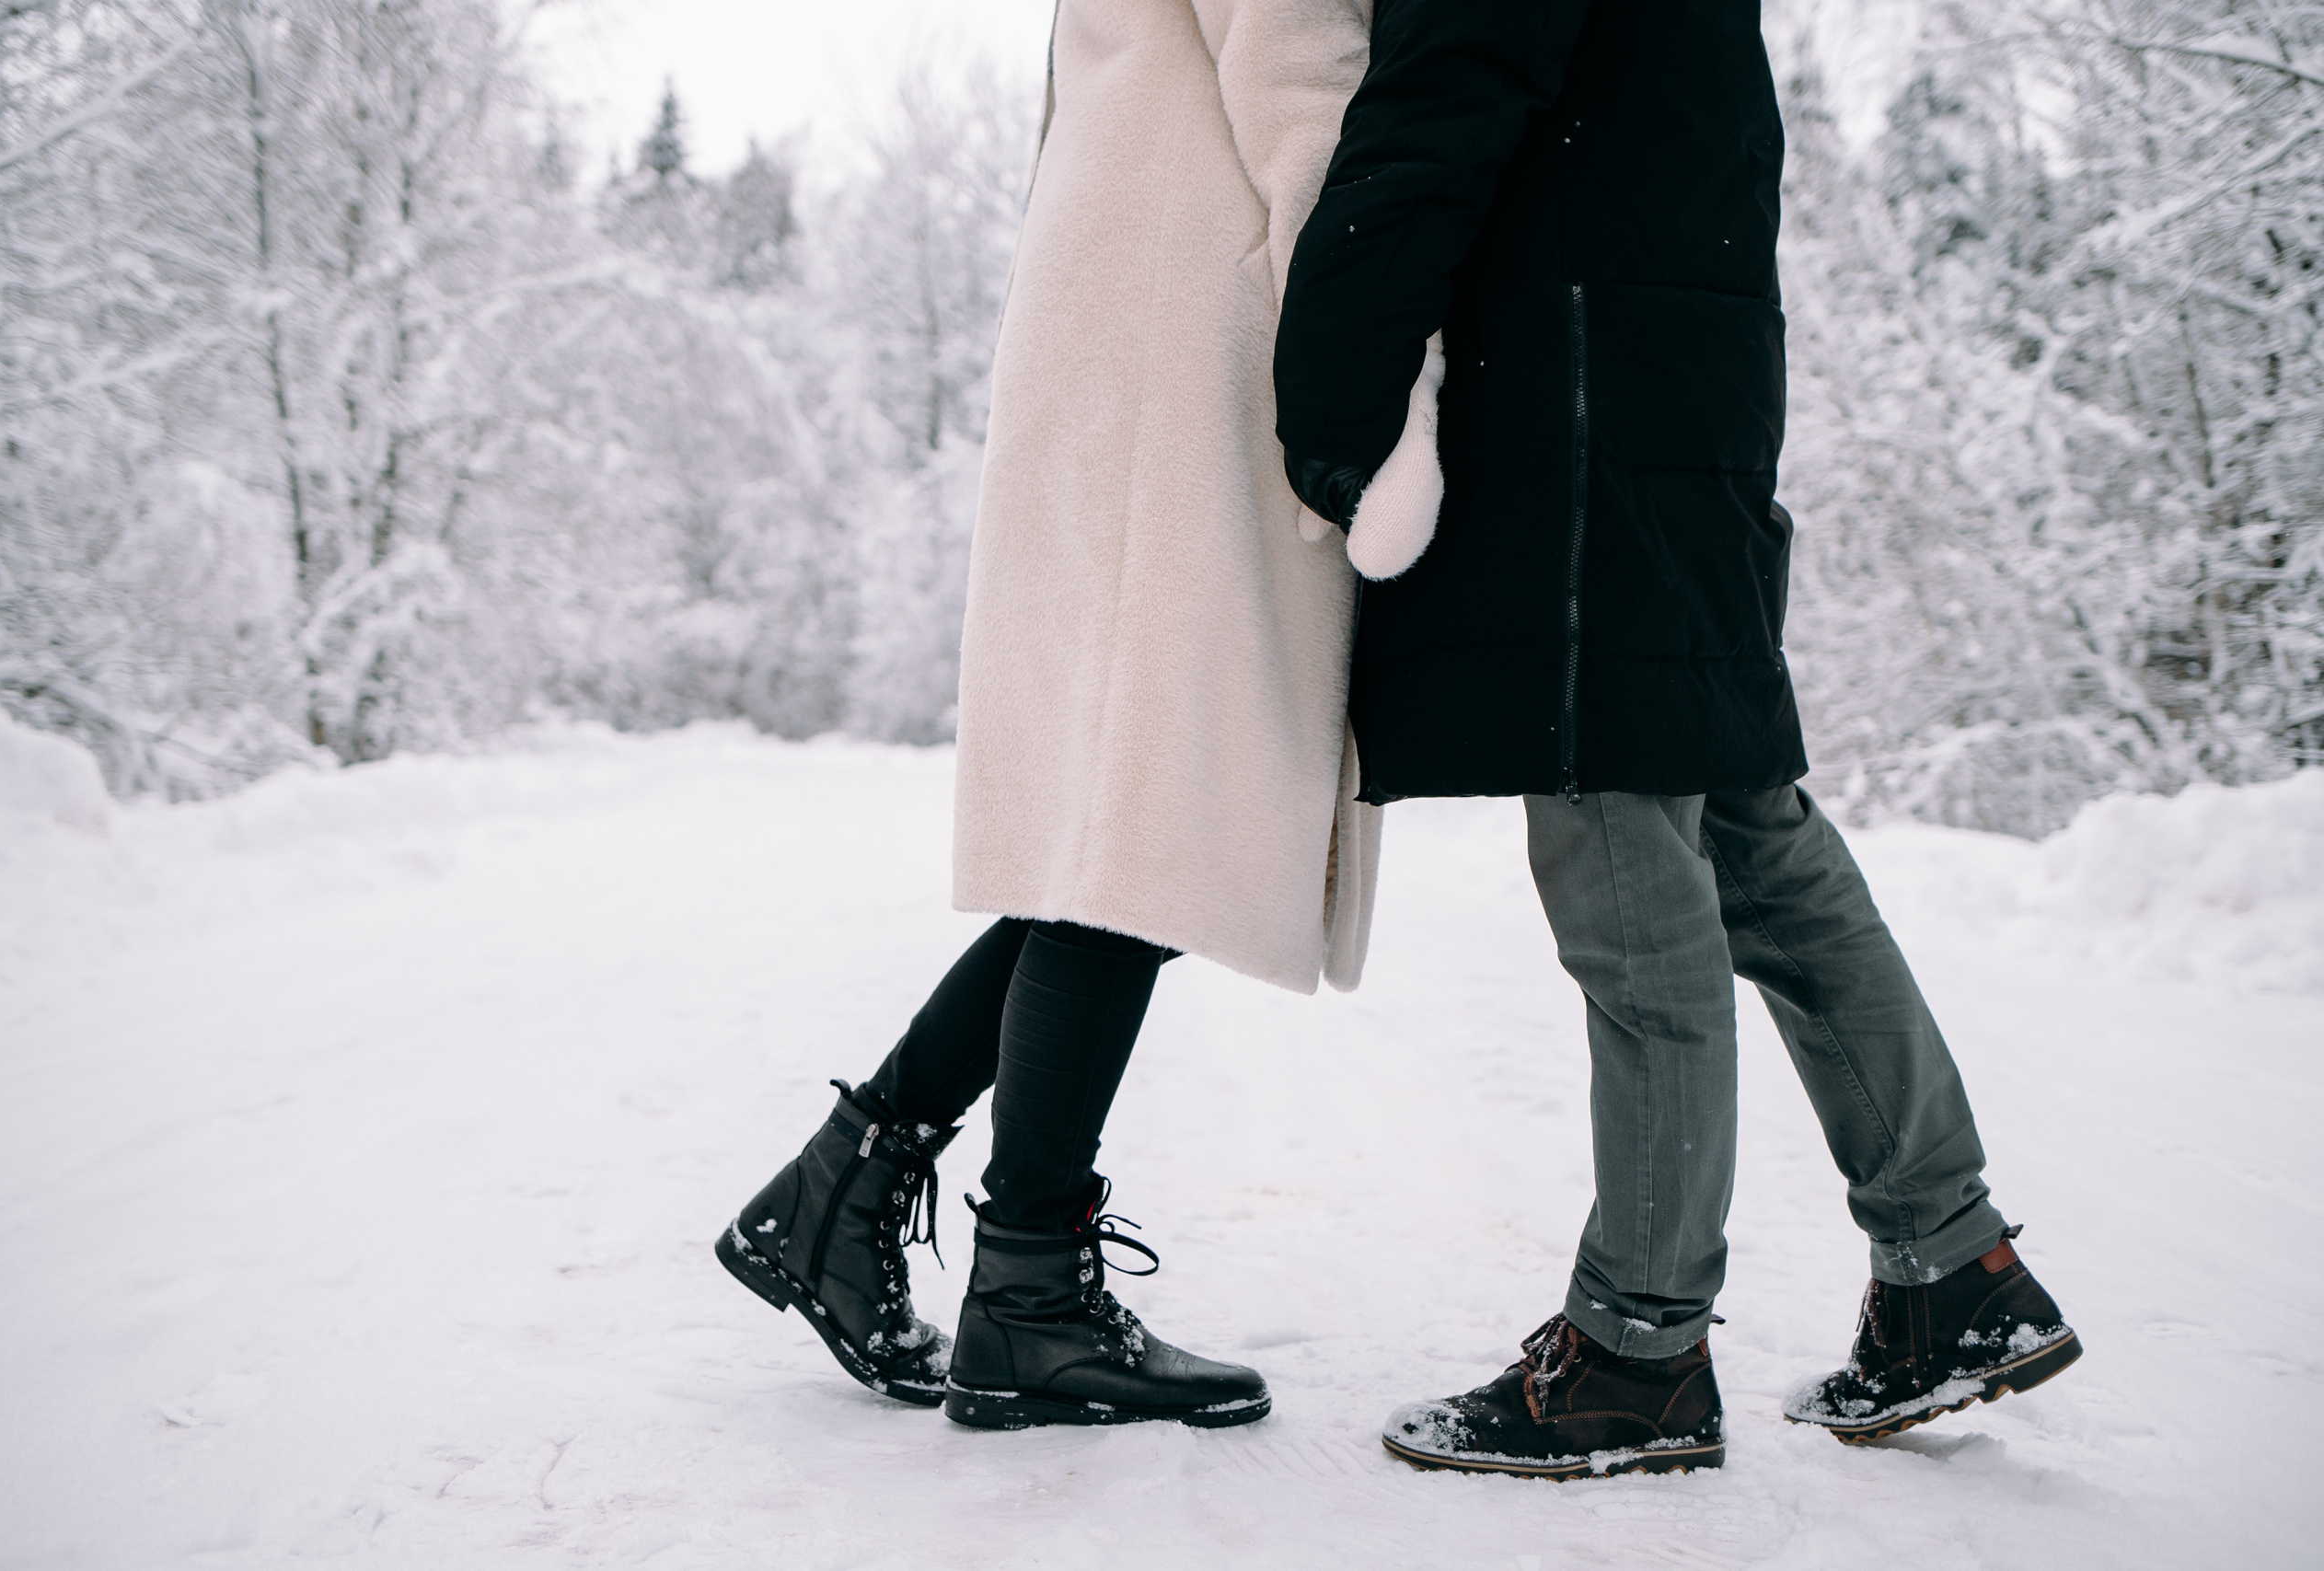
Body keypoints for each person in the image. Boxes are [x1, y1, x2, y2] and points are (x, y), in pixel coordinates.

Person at [1273, 0, 2080, 1478]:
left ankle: (1639, 1348)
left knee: (1625, 852)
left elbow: (1431, 120)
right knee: (1749, 833)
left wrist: (1328, 387)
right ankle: (1950, 1265)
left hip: (1582, 399)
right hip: (1686, 390)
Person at [714, 0, 1384, 1432]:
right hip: (1196, 327)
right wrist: (1374, 339)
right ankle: (1022, 1290)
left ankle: (851, 1183)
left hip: (1114, 302)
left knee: (1117, 815)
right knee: (1147, 812)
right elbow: (1302, 67)